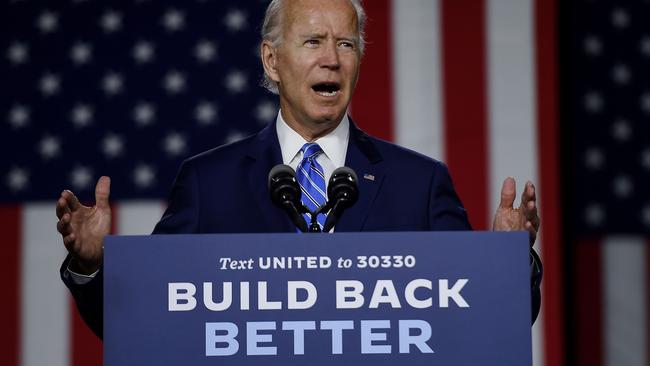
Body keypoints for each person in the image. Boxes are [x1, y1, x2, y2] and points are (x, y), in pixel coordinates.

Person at [57, 0, 542, 339]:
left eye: (346, 45)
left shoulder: (420, 182)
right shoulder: (210, 182)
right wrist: (91, 265)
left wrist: (507, 262)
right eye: (313, 41)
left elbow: (485, 321)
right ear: (272, 60)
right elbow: (143, 319)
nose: (331, 60)